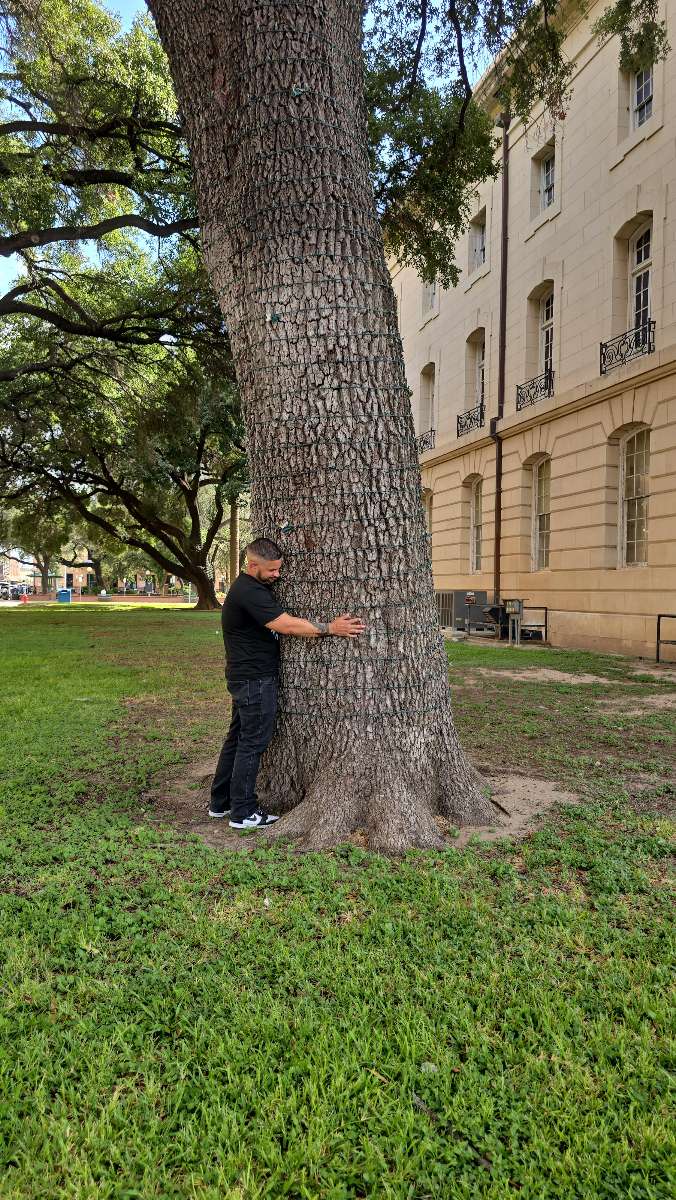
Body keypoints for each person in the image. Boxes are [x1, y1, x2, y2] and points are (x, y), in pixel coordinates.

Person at [209, 537, 365, 829]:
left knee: (237, 739)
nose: (277, 575)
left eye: (278, 570)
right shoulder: (249, 591)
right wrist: (330, 628)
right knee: (252, 743)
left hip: (245, 677)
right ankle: (242, 812)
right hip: (254, 680)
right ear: (252, 565)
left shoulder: (249, 587)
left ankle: (221, 802)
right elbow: (287, 625)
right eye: (271, 570)